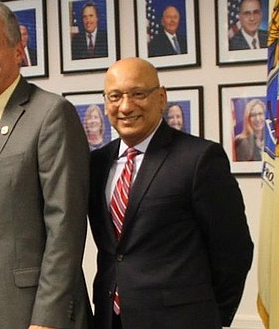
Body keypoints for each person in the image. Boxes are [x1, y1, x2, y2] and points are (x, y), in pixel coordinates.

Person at [0, 0, 91, 328]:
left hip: (35, 314)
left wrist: (48, 318)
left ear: (18, 49)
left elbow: (65, 225)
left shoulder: (52, 114)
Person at [89, 57, 253, 329]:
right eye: (115, 96)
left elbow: (234, 250)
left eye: (138, 94)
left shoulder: (199, 158)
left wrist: (210, 313)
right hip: (110, 318)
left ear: (161, 97)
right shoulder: (97, 163)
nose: (126, 106)